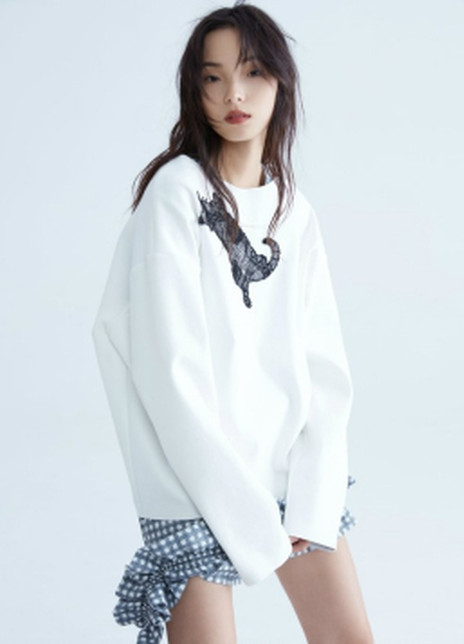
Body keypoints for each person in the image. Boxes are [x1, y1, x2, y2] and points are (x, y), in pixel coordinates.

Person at [91, 2, 374, 642]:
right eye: (213, 78)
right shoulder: (176, 194)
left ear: (280, 82)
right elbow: (169, 373)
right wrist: (248, 519)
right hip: (195, 485)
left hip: (289, 476)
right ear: (194, 91)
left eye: (251, 73)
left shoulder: (294, 212)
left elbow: (324, 367)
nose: (233, 95)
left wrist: (315, 496)